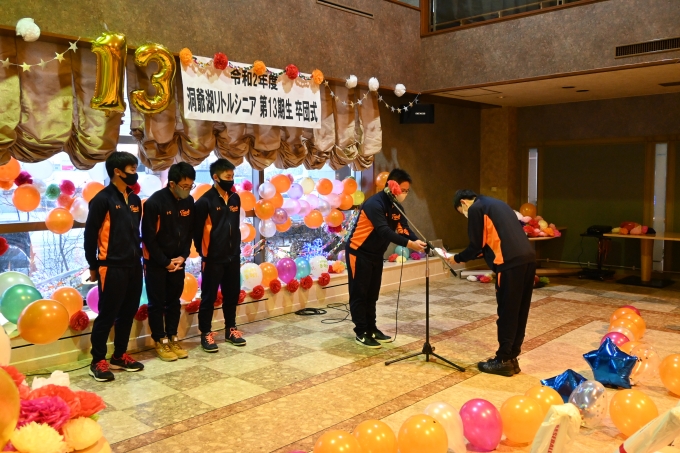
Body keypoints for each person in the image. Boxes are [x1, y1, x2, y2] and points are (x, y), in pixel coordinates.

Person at [450, 189, 536, 377]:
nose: (465, 215)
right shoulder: (497, 204)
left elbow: (475, 245)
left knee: (507, 311)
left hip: (509, 262)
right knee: (520, 310)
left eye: (461, 211)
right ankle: (512, 358)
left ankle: (503, 360)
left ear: (463, 202)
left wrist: (456, 258)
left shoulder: (476, 209)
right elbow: (490, 241)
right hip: (528, 259)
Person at [345, 168, 426, 349]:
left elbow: (404, 230)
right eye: (402, 190)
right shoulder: (374, 204)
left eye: (407, 191)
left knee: (372, 294)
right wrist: (409, 245)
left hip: (376, 255)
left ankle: (372, 328)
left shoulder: (397, 207)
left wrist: (419, 242)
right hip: (359, 253)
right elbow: (384, 231)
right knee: (360, 293)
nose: (405, 194)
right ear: (392, 186)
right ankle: (361, 332)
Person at [84, 151, 145, 382]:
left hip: (134, 265)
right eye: (132, 169)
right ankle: (97, 361)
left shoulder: (135, 200)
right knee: (108, 314)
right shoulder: (102, 200)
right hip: (111, 266)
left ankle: (119, 355)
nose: (135, 173)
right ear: (117, 171)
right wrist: (93, 265)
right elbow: (90, 235)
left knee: (128, 313)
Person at [142, 162, 196, 362]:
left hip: (178, 262)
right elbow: (148, 238)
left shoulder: (189, 201)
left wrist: (183, 256)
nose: (188, 190)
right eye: (184, 186)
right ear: (172, 184)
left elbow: (189, 232)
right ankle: (160, 340)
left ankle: (173, 337)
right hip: (157, 263)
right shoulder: (154, 203)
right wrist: (165, 262)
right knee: (157, 303)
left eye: (190, 186)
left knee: (174, 302)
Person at [194, 158, 244, 352]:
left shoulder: (235, 198)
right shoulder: (204, 201)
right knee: (209, 297)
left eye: (232, 176)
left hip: (233, 256)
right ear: (216, 177)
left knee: (232, 295)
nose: (231, 180)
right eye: (227, 176)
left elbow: (235, 226)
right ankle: (205, 333)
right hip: (213, 258)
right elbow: (197, 232)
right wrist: (205, 252)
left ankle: (231, 329)